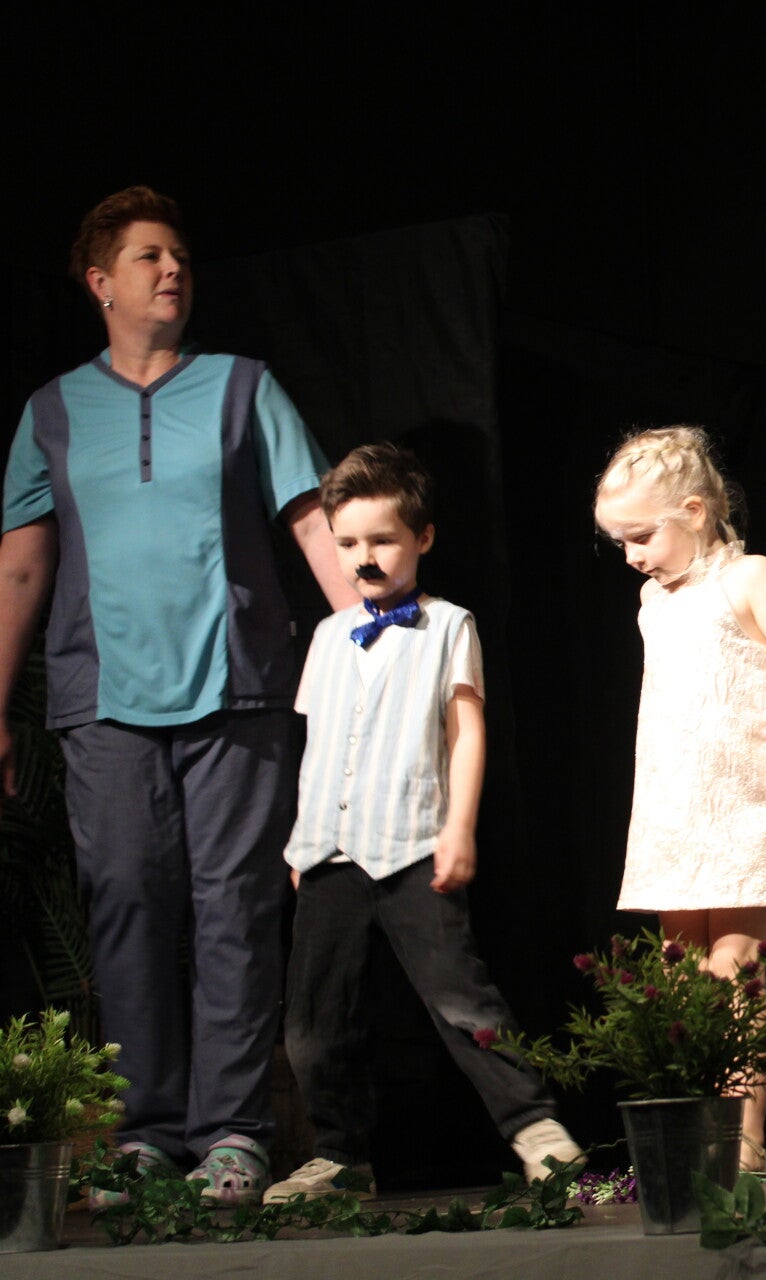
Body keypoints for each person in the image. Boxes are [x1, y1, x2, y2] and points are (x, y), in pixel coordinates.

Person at [0, 188, 360, 1206]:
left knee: (236, 909)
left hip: (238, 689)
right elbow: (21, 565)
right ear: (99, 282)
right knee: (125, 906)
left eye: (182, 257)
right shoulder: (54, 411)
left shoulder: (243, 386)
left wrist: (375, 652)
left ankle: (235, 1133)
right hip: (104, 697)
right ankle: (144, 1134)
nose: (172, 271)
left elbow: (312, 523)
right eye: (149, 257)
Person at [266, 443, 581, 1203]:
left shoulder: (448, 626)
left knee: (460, 1000)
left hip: (412, 844)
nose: (364, 558)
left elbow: (465, 731)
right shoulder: (328, 637)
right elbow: (319, 742)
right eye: (348, 542)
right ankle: (340, 1156)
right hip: (329, 851)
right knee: (315, 1018)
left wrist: (459, 826)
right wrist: (301, 840)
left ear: (423, 538)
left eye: (382, 540)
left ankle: (538, 1132)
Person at [594, 426, 766, 1172]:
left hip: (745, 802)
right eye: (621, 542)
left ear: (694, 512)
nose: (632, 556)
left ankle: (746, 1140)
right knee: (680, 975)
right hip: (673, 806)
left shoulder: (750, 578)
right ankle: (697, 1135)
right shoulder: (651, 600)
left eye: (641, 537)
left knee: (736, 967)